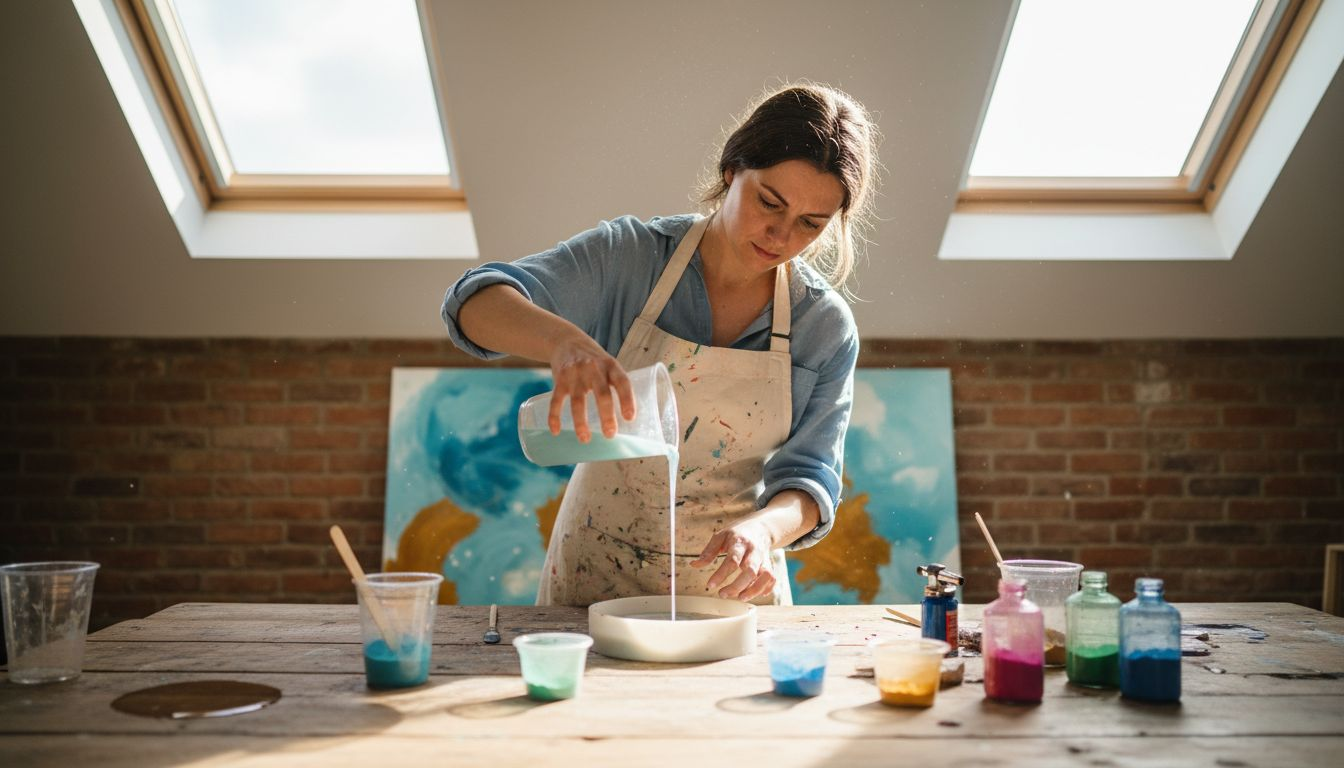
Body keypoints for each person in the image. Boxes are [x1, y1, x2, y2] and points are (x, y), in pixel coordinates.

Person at [440, 82, 880, 607]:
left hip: (730, 587)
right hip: (593, 575)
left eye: (810, 224)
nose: (780, 236)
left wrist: (763, 532)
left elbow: (810, 479)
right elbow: (471, 305)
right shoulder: (630, 259)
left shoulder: (822, 326)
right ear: (732, 170)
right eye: (769, 202)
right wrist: (564, 343)